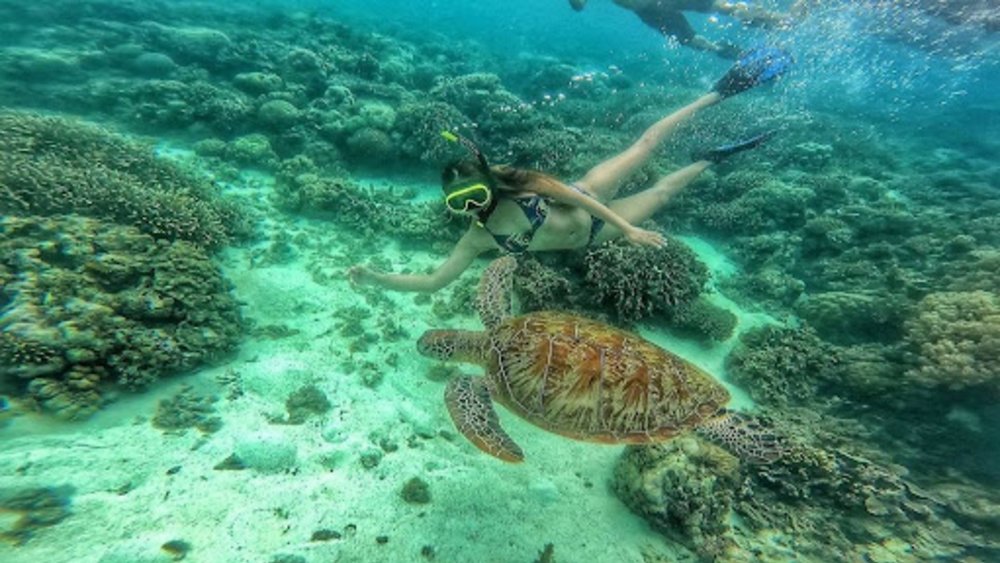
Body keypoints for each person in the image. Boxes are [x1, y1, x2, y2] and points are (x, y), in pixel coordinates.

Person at [348, 47, 792, 293]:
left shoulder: (519, 185)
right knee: (661, 195)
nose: (472, 208)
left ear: (489, 185)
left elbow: (577, 198)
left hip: (587, 196)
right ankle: (712, 156)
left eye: (475, 196)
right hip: (595, 236)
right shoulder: (477, 237)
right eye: (460, 203)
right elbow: (433, 281)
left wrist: (630, 230)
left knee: (644, 144)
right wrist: (377, 278)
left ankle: (720, 91)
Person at [570, 0, 795, 59]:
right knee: (719, 11)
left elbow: (578, 4)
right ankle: (781, 20)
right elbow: (578, 5)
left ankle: (781, 19)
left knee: (719, 9)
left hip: (650, 10)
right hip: (650, 11)